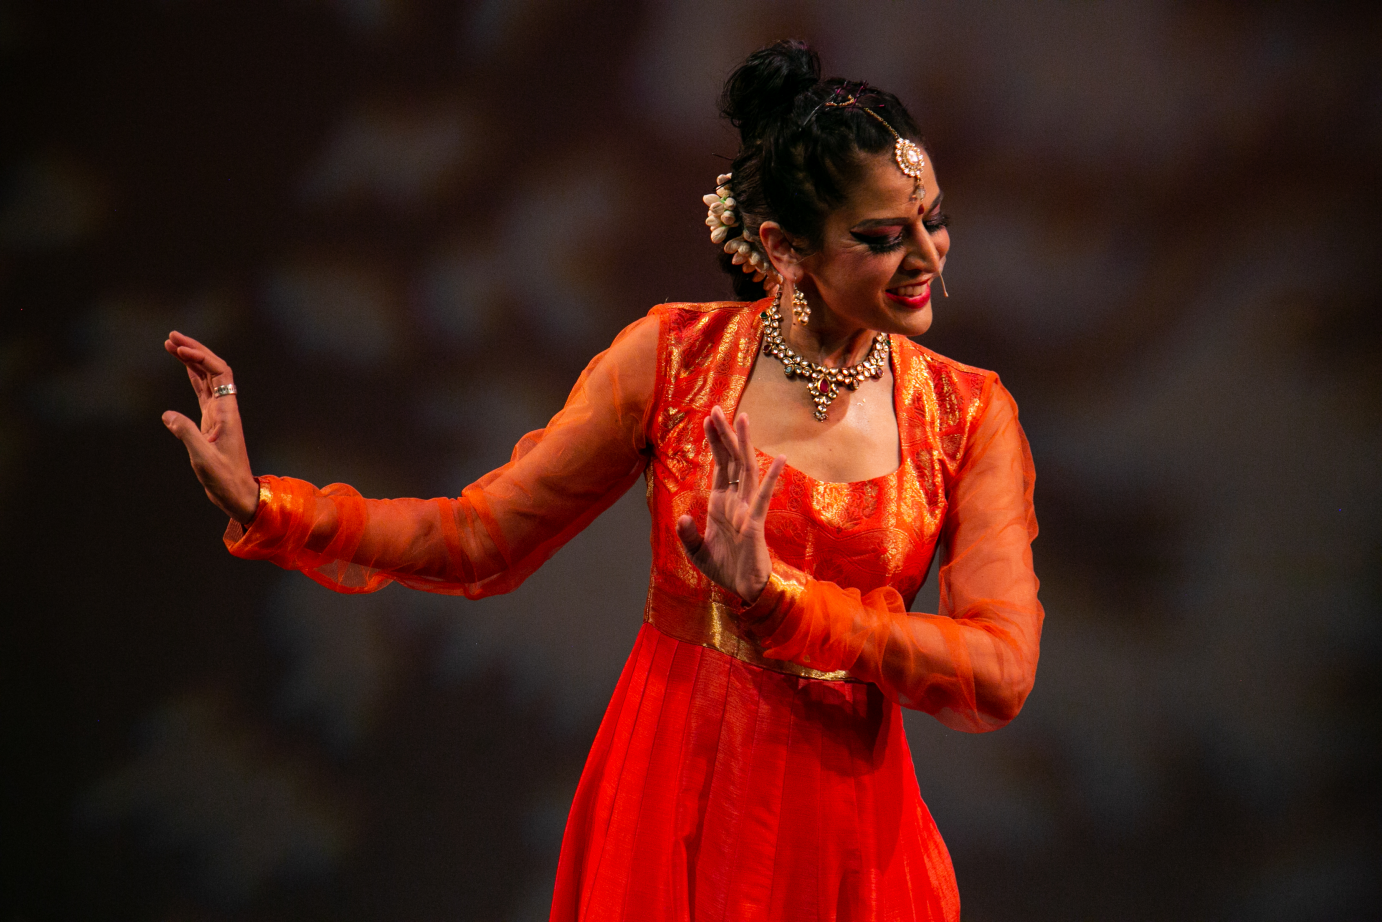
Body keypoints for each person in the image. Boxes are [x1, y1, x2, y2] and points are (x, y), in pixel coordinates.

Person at [163, 40, 1043, 922]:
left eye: (934, 219)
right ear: (782, 247)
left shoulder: (967, 415)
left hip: (849, 841)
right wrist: (267, 504)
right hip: (673, 815)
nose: (929, 256)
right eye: (885, 237)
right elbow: (479, 539)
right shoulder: (673, 361)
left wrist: (781, 603)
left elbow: (999, 672)